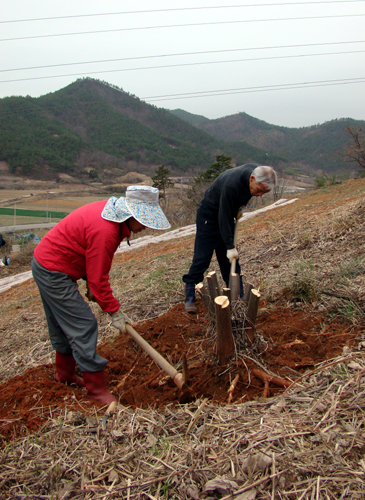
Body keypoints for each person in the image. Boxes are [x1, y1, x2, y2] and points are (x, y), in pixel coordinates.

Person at [32, 185, 170, 405]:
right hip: (53, 270)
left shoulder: (112, 216)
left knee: (61, 323)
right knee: (84, 324)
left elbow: (92, 261)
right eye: (144, 220)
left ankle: (65, 374)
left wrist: (93, 287)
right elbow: (99, 279)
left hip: (47, 263)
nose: (145, 226)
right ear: (131, 214)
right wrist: (114, 310)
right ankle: (96, 391)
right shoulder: (106, 230)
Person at [183, 164, 277, 313]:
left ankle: (237, 299)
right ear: (252, 179)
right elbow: (223, 216)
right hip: (210, 215)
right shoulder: (231, 185)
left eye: (264, 193)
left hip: (226, 214)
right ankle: (189, 296)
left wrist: (241, 205)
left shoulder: (255, 175)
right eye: (259, 190)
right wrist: (229, 246)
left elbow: (232, 211)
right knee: (202, 259)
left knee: (231, 262)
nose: (259, 195)